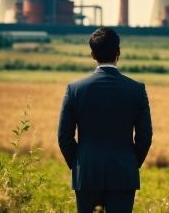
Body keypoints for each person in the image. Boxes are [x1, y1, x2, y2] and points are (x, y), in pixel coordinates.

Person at [58, 27, 153, 213]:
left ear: (92, 54)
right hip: (124, 174)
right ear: (118, 52)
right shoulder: (136, 89)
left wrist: (80, 162)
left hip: (86, 174)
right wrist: (131, 162)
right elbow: (145, 137)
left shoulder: (74, 89)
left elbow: (64, 137)